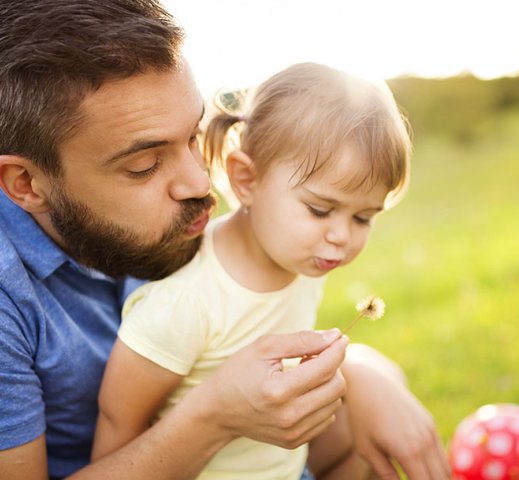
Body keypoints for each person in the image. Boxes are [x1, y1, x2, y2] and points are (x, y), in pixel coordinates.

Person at [0, 2, 449, 480]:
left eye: (193, 136)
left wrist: (366, 374)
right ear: (26, 184)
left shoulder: (197, 225)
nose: (200, 183)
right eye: (144, 165)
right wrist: (214, 417)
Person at [92, 62, 445, 480]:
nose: (341, 237)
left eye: (363, 218)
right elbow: (118, 428)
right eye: (320, 209)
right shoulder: (185, 302)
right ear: (246, 179)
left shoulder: (301, 260)